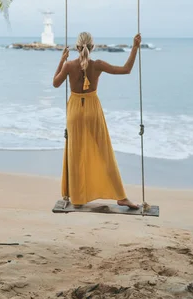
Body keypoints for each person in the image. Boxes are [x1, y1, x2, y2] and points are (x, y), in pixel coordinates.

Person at [53, 31, 142, 209]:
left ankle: (77, 198)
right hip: (93, 109)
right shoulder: (98, 65)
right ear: (92, 47)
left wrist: (62, 60)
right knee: (104, 153)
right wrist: (134, 47)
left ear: (77, 47)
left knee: (75, 153)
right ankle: (121, 197)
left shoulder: (70, 65)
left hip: (75, 111)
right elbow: (126, 70)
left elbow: (55, 83)